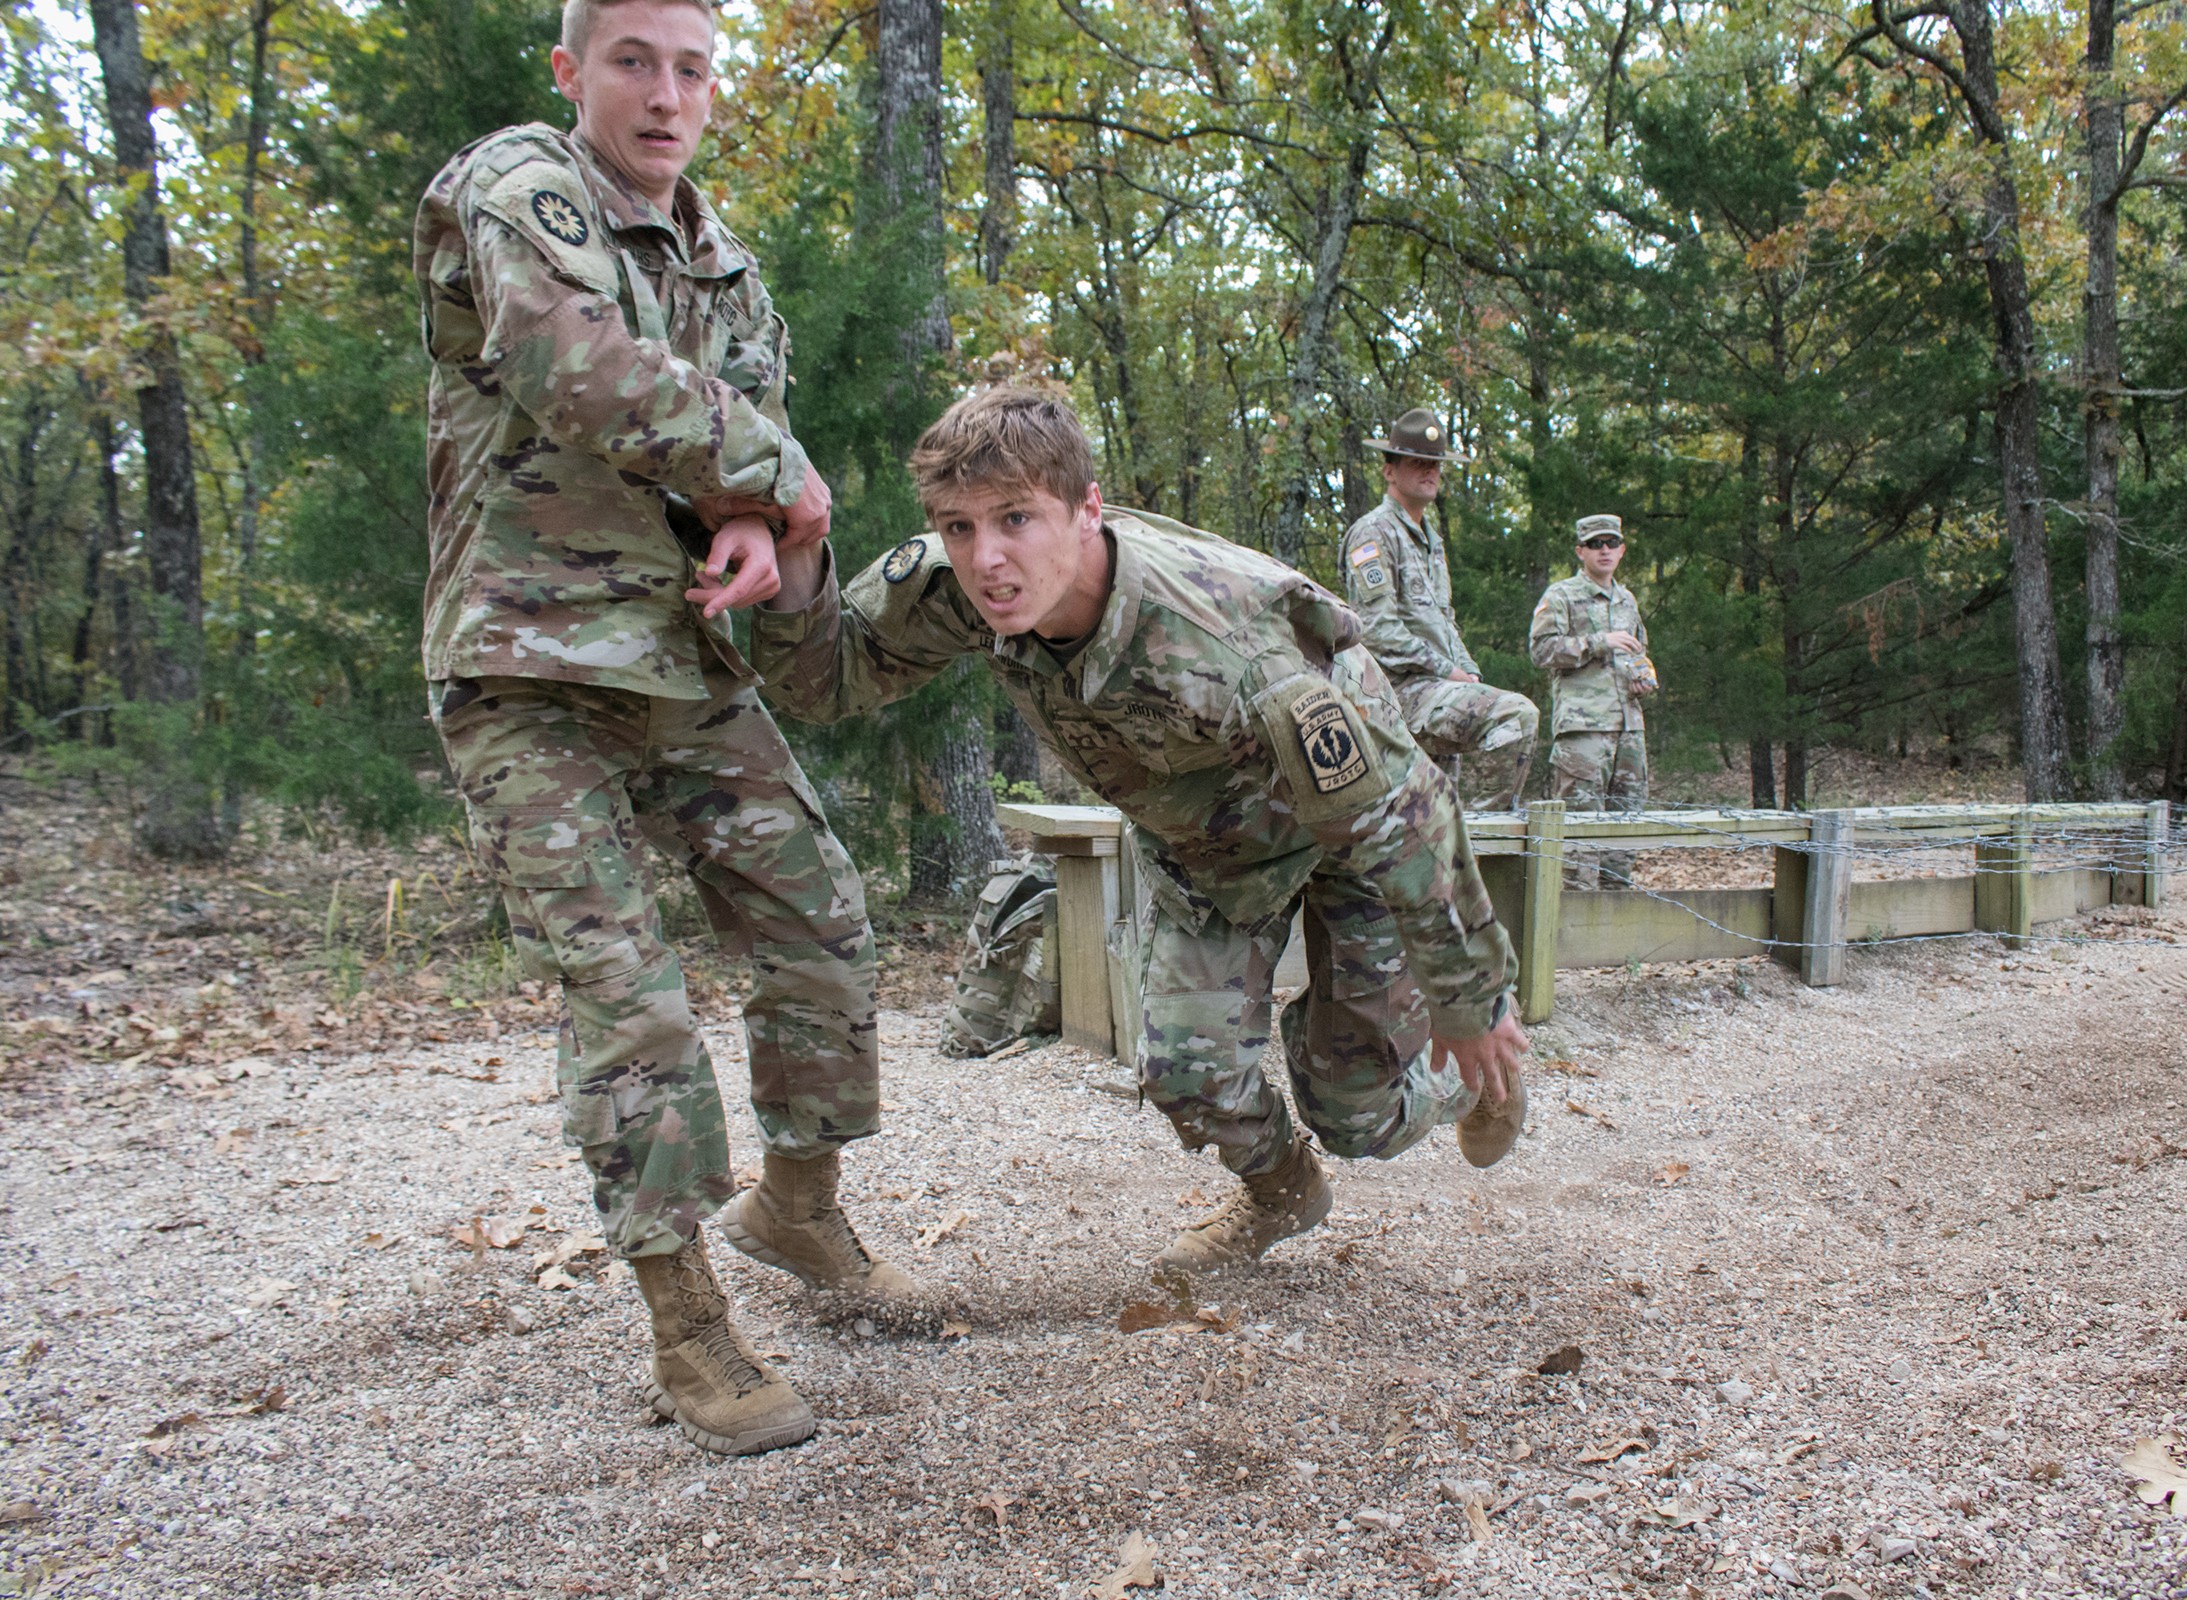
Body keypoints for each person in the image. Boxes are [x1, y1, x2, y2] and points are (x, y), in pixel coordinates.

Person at [414, 0, 915, 1457]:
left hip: (682, 670)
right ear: (573, 72)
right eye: (633, 60)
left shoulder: (726, 270)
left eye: (692, 68)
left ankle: (799, 1211)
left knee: (821, 916)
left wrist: (757, 524)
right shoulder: (520, 184)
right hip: (527, 670)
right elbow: (573, 367)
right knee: (631, 1002)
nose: (664, 93)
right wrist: (786, 478)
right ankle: (686, 1322)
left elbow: (735, 459)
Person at [752, 386, 1531, 1273]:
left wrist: (1474, 1001)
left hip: (1348, 839)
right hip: (1214, 854)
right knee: (1189, 1080)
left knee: (1358, 1115)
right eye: (959, 527)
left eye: (1016, 519)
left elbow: (1403, 814)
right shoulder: (964, 586)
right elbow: (824, 684)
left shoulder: (1232, 645)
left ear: (1087, 511)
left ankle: (1474, 1077)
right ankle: (1283, 1196)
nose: (988, 559)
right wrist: (799, 555)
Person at [1337, 408, 1538, 811]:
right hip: (1397, 694)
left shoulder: (1431, 541)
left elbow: (1445, 624)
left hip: (1436, 691)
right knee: (1517, 715)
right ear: (1389, 471)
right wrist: (1448, 671)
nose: (1429, 471)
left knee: (1431, 821)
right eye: (1417, 463)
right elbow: (1375, 630)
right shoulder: (1374, 533)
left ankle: (1465, 838)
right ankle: (1486, 827)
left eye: (1435, 464)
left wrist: (1469, 671)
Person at [1528, 513, 1655, 885]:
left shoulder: (1627, 600)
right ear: (1580, 551)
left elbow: (1639, 653)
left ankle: (1613, 933)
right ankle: (1571, 932)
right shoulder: (1561, 595)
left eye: (1611, 543)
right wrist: (1600, 642)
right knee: (1580, 843)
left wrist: (1642, 680)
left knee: (1624, 839)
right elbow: (1542, 652)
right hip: (1584, 731)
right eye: (1596, 544)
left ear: (1622, 550)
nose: (1604, 550)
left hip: (1629, 729)